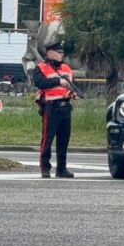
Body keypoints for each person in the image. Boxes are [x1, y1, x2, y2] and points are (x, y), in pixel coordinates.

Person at [33, 41, 76, 179]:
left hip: (65, 107)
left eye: (62, 53)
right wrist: (57, 81)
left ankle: (61, 169)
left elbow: (71, 84)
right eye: (59, 52)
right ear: (50, 53)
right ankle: (45, 168)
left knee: (64, 140)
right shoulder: (41, 67)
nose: (61, 55)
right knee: (47, 139)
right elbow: (39, 83)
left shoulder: (66, 68)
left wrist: (72, 92)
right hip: (51, 107)